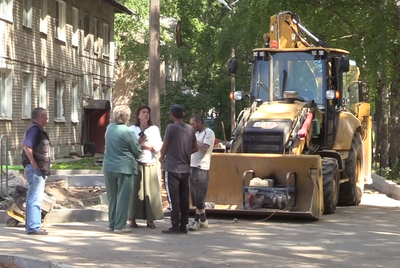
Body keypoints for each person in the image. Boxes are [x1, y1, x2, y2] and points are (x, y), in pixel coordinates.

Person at [159, 104, 198, 234]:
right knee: (184, 197)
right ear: (183, 115)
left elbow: (165, 145)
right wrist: (185, 153)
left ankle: (175, 224)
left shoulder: (171, 128)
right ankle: (183, 224)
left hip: (172, 167)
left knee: (173, 197)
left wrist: (162, 157)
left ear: (172, 115)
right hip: (185, 168)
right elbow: (195, 148)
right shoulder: (190, 129)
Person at [103, 105, 142, 233]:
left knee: (112, 197)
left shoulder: (109, 128)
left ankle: (112, 223)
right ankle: (120, 226)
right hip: (124, 167)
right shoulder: (129, 131)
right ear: (127, 116)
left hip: (109, 166)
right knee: (123, 197)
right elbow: (137, 151)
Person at [128, 105, 164, 229]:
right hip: (136, 163)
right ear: (138, 115)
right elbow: (130, 146)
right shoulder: (132, 129)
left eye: (147, 112)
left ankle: (151, 219)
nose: (146, 114)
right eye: (143, 112)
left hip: (150, 163)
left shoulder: (153, 129)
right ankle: (132, 218)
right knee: (135, 192)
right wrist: (140, 143)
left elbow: (157, 146)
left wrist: (147, 146)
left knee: (151, 193)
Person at [21, 107, 51, 235]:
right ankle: (34, 227)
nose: (47, 120)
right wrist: (33, 162)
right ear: (41, 117)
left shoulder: (34, 129)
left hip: (35, 169)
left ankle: (31, 226)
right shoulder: (35, 130)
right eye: (46, 117)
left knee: (32, 197)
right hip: (35, 169)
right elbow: (28, 146)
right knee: (35, 198)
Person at [188, 114, 215, 231]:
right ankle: (203, 220)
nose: (192, 126)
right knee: (195, 195)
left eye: (193, 124)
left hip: (201, 167)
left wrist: (193, 140)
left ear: (199, 123)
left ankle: (196, 220)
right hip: (192, 165)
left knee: (200, 195)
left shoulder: (208, 133)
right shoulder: (195, 133)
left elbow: (204, 148)